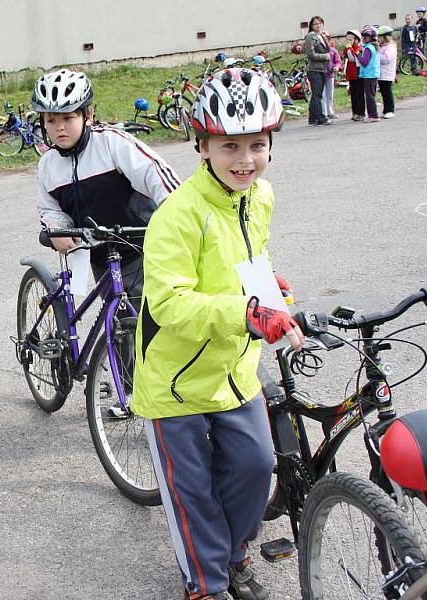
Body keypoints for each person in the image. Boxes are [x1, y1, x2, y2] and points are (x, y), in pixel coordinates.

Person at [133, 68, 304, 600]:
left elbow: (249, 256)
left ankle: (230, 554)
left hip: (233, 368)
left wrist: (267, 287)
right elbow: (169, 302)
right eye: (229, 145)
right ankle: (205, 583)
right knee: (193, 493)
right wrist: (248, 312)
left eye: (257, 144)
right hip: (176, 380)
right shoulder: (176, 215)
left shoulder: (260, 196)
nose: (245, 159)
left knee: (257, 467)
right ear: (202, 145)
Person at [30, 68, 180, 309]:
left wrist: (180, 216)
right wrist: (57, 228)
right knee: (119, 324)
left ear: (87, 115)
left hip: (140, 246)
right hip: (99, 254)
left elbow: (157, 178)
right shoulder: (48, 164)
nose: (59, 127)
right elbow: (50, 209)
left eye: (68, 118)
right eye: (51, 120)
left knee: (157, 315)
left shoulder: (111, 143)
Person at [305, 16, 332, 126]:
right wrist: (324, 56)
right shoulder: (311, 37)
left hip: (322, 69)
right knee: (317, 94)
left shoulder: (322, 35)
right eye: (315, 24)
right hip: (314, 69)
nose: (318, 25)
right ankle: (321, 118)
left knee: (317, 94)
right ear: (311, 26)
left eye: (320, 23)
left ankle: (312, 118)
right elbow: (310, 54)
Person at [357, 26, 381, 123]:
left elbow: (364, 62)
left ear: (371, 38)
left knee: (369, 96)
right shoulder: (374, 47)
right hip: (373, 74)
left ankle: (373, 115)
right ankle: (373, 114)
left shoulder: (368, 48)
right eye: (363, 37)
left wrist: (358, 54)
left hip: (369, 74)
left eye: (366, 37)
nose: (363, 39)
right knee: (372, 95)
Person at [343, 30, 366, 120]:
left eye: (350, 40)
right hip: (351, 75)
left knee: (359, 94)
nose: (348, 42)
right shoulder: (348, 48)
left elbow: (353, 58)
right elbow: (345, 56)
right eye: (347, 40)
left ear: (356, 40)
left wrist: (349, 49)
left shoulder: (358, 48)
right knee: (353, 94)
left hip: (358, 74)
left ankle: (361, 112)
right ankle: (355, 112)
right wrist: (347, 49)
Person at [378, 26, 398, 118]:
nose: (378, 39)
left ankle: (390, 110)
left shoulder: (391, 47)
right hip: (382, 74)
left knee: (387, 93)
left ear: (386, 37)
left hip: (387, 74)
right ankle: (385, 110)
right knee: (383, 93)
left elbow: (387, 59)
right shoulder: (383, 47)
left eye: (380, 37)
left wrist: (377, 55)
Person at [322, 32, 342, 120]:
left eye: (327, 39)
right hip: (321, 75)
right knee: (322, 95)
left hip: (330, 75)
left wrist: (336, 67)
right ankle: (324, 113)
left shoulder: (333, 51)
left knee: (330, 94)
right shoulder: (319, 51)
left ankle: (330, 112)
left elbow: (338, 61)